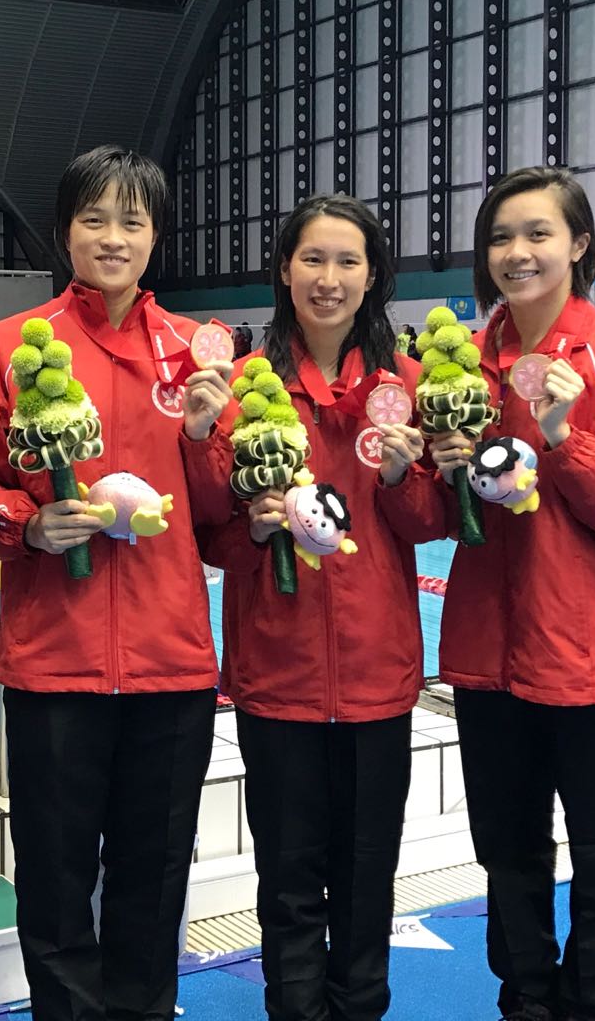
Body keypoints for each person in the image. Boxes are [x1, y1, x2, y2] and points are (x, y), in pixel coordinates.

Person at [0, 146, 235, 1021]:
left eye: (133, 220)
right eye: (94, 218)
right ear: (65, 229)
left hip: (169, 665)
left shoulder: (192, 354)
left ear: (156, 235)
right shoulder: (7, 346)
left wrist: (203, 435)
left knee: (155, 881)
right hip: (55, 662)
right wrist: (26, 526)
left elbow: (222, 519)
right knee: (53, 876)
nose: (113, 238)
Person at [426, 166, 595, 1021]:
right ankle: (525, 998)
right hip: (490, 656)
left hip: (591, 656)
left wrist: (567, 439)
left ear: (577, 245)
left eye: (537, 234)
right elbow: (433, 513)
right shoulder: (457, 366)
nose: (517, 252)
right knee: (506, 850)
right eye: (500, 236)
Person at [197, 194, 440, 1021]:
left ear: (374, 275)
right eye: (312, 259)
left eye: (347, 261)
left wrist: (408, 477)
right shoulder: (243, 387)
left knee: (369, 878)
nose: (328, 278)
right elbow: (209, 534)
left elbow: (431, 525)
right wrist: (249, 522)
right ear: (283, 270)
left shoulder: (407, 387)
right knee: (291, 881)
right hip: (279, 673)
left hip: (377, 674)